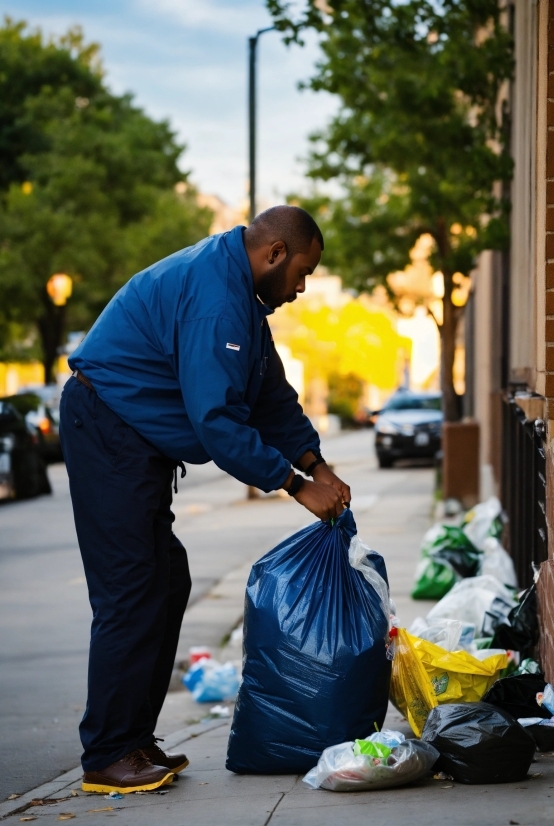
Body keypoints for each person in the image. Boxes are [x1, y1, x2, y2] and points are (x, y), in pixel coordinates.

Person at [60, 205, 351, 794]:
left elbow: (270, 397)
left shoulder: (243, 300)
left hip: (132, 437)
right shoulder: (218, 297)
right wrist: (296, 486)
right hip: (108, 426)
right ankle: (108, 754)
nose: (301, 288)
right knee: (133, 585)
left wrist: (319, 463)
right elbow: (217, 422)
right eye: (302, 272)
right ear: (274, 253)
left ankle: (132, 738)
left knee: (167, 578)